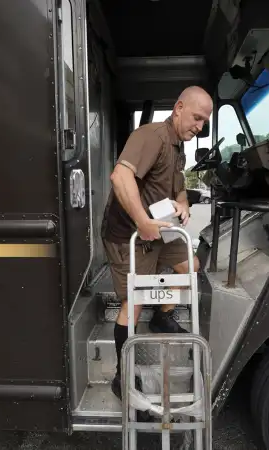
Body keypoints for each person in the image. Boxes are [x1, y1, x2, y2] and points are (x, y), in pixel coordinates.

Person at [101, 85, 213, 400]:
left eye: (204, 121)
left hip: (161, 227)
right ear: (178, 108)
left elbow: (178, 188)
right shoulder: (151, 137)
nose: (199, 126)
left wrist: (184, 205)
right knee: (133, 301)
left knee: (189, 266)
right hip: (129, 233)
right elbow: (120, 178)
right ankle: (121, 376)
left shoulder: (180, 147)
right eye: (196, 117)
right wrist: (141, 222)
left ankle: (163, 316)